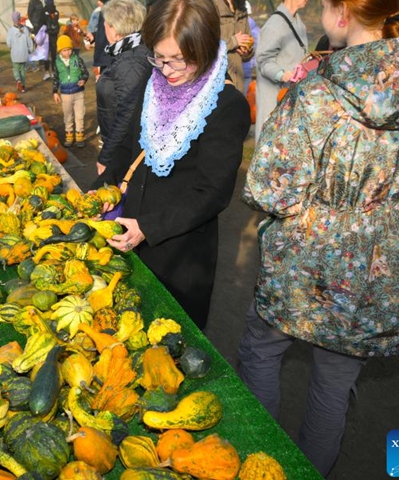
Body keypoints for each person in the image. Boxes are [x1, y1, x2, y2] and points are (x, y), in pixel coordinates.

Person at [239, 3, 399, 476]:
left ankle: (258, 465)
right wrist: (381, 200)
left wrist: (332, 206)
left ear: (341, 14)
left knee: (261, 350)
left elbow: (271, 188)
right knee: (334, 382)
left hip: (306, 254)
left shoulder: (315, 93)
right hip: (380, 256)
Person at [92, 0, 251, 329]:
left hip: (179, 253)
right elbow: (126, 145)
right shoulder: (155, 85)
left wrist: (148, 226)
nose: (167, 71)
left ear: (204, 48)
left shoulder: (226, 105)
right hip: (129, 233)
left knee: (169, 340)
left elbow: (212, 192)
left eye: (179, 61)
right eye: (160, 59)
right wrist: (101, 191)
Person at [92, 0, 152, 176]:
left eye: (106, 24)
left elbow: (127, 113)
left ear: (115, 30)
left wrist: (107, 156)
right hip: (121, 144)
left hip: (124, 149)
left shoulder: (131, 61)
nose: (104, 27)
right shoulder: (128, 51)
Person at [253, 0, 309, 142]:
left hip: (291, 97)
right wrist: (282, 75)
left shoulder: (298, 23)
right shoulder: (275, 24)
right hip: (275, 99)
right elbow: (263, 60)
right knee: (271, 142)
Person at [52, 35, 90, 148]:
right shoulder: (57, 63)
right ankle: (69, 136)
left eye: (69, 49)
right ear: (60, 50)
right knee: (68, 116)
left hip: (78, 93)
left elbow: (85, 73)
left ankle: (79, 136)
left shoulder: (77, 59)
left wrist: (83, 80)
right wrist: (55, 92)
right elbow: (55, 78)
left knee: (79, 115)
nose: (67, 52)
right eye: (64, 50)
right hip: (65, 94)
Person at [212, 0, 254, 94]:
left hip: (238, 81)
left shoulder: (241, 7)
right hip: (216, 82)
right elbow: (204, 43)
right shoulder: (209, 5)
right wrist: (233, 41)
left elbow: (247, 39)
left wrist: (247, 51)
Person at [87, 0, 115, 80]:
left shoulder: (108, 11)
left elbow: (105, 36)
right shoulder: (103, 11)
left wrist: (98, 60)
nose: (97, 2)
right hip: (105, 58)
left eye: (99, 0)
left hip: (108, 59)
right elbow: (102, 32)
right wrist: (94, 36)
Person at [7, 11, 34, 93]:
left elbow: (8, 43)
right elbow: (29, 41)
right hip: (24, 54)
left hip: (15, 55)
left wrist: (11, 47)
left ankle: (18, 80)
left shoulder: (11, 31)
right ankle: (23, 86)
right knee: (23, 70)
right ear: (19, 19)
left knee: (16, 69)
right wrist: (30, 50)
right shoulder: (25, 29)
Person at [43, 0, 61, 81]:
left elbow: (41, 21)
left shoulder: (44, 11)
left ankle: (48, 71)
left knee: (48, 54)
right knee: (52, 54)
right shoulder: (55, 12)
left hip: (48, 34)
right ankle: (52, 71)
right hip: (52, 35)